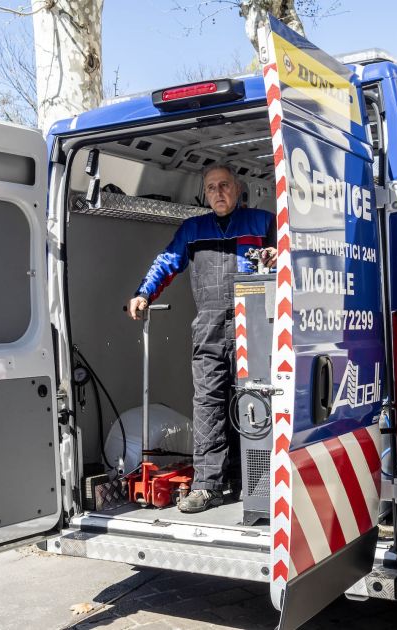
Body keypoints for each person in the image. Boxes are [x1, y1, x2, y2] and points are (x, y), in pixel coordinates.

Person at [127, 163, 277, 513]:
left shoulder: (262, 222)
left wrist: (277, 254)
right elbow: (166, 262)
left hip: (253, 326)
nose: (218, 192)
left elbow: (293, 254)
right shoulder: (193, 230)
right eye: (211, 187)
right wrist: (143, 294)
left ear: (239, 189)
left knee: (254, 403)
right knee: (209, 404)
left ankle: (255, 481)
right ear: (204, 194)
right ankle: (208, 485)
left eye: (224, 185)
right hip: (209, 328)